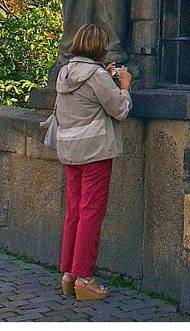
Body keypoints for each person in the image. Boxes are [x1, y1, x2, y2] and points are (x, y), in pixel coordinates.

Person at [55, 23, 132, 301]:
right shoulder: (96, 75)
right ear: (99, 46)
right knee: (91, 213)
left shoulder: (65, 72)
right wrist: (124, 86)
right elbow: (120, 110)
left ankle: (68, 274)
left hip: (69, 149)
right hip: (94, 150)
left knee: (74, 211)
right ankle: (85, 277)